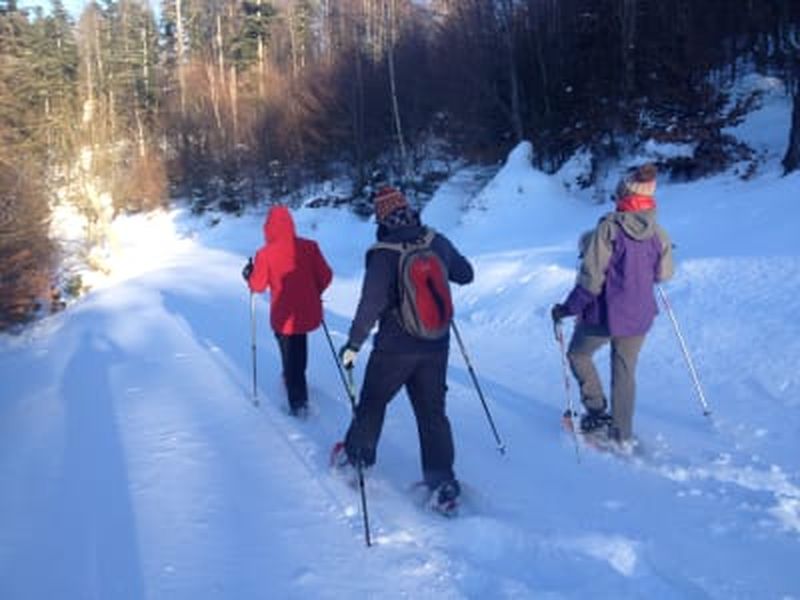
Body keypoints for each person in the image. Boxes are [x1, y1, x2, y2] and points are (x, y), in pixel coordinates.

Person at [334, 186, 474, 511]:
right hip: (436, 345)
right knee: (432, 414)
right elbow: (466, 274)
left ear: (380, 218)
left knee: (373, 402)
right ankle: (442, 484)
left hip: (395, 349)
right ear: (409, 210)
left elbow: (370, 305)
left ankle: (357, 461)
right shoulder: (434, 240)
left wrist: (354, 344)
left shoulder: (384, 253)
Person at [552, 163, 674, 445]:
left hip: (605, 315)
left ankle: (596, 411)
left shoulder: (608, 229)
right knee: (624, 372)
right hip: (640, 316)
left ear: (624, 193)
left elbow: (591, 280)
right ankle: (621, 434)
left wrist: (567, 309)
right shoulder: (658, 232)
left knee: (578, 355)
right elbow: (664, 274)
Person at [243, 205, 332, 417]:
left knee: (291, 351)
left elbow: (257, 286)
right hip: (308, 312)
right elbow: (326, 275)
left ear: (268, 229)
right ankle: (294, 377)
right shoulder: (310, 246)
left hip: (283, 316)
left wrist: (248, 274)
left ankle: (299, 404)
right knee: (298, 346)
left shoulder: (264, 254)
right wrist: (313, 291)